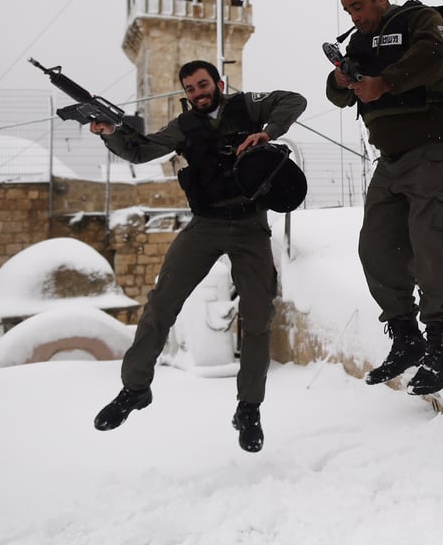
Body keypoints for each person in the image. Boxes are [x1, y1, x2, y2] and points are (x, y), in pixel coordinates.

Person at [90, 60, 307, 453]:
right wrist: (110, 134)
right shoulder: (184, 126)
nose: (197, 93)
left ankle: (249, 408)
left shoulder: (247, 106)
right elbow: (142, 152)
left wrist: (267, 132)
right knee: (161, 305)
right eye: (190, 88)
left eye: (203, 84)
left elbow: (294, 100)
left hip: (249, 226)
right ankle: (135, 389)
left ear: (218, 83)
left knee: (257, 317)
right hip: (204, 226)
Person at [325, 0, 443, 395]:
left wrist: (382, 82)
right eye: (348, 10)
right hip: (390, 161)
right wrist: (341, 80)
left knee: (429, 242)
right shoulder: (357, 44)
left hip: (433, 148)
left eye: (359, 7)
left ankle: (442, 344)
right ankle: (406, 336)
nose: (355, 16)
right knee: (377, 248)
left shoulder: (418, 19)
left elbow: (432, 55)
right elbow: (337, 97)